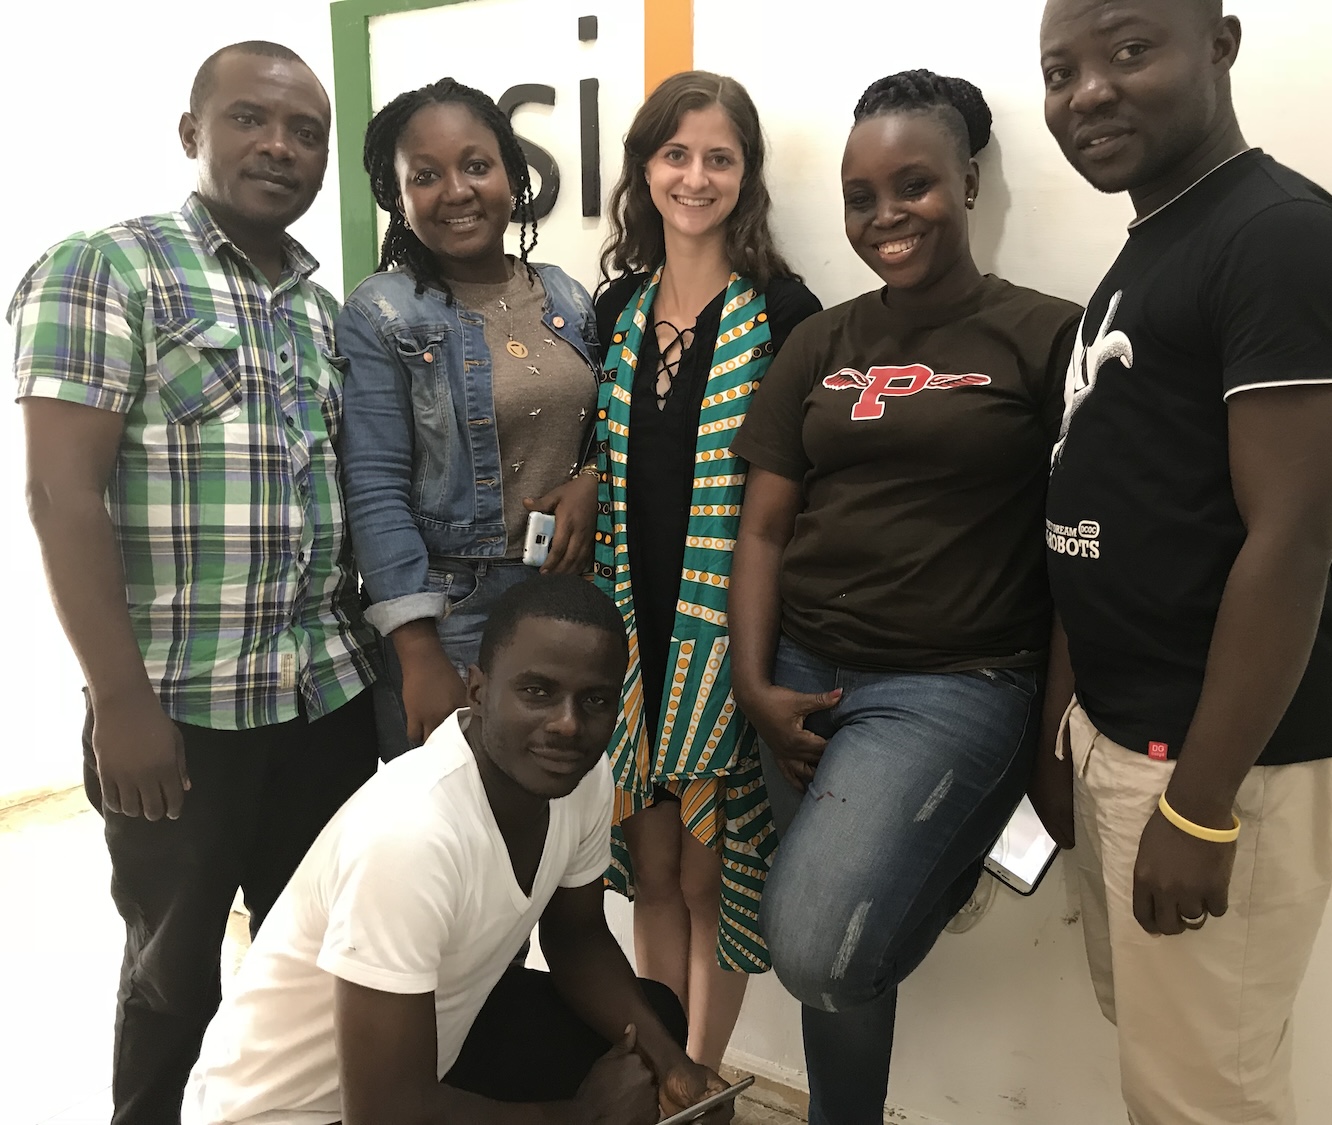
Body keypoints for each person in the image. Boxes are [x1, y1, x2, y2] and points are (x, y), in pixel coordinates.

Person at [7, 42, 378, 1125]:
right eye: (253, 119)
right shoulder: (105, 267)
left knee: (313, 966)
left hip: (323, 701)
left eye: (306, 132)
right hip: (180, 711)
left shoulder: (320, 308)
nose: (281, 146)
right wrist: (121, 704)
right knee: (173, 980)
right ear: (191, 132)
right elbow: (59, 497)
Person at [1032, 2, 1332, 1122]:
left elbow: (1292, 537)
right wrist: (1070, 728)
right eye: (1061, 69)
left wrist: (1203, 805)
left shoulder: (1278, 233)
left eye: (1129, 50)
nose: (1087, 92)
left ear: (1220, 46)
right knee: (1167, 1065)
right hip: (1129, 739)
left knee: (1204, 1100)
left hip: (1221, 761)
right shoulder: (1155, 245)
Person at [727, 70, 1082, 1124]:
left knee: (818, 942)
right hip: (802, 678)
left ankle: (953, 843)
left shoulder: (1048, 337)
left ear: (968, 184)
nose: (885, 216)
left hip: (954, 684)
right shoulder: (819, 345)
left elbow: (1082, 553)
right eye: (860, 195)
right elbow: (764, 526)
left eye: (914, 185)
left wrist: (1055, 736)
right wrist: (752, 681)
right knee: (831, 961)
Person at [185, 575, 734, 1125]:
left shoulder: (581, 779)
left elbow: (577, 935)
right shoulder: (412, 834)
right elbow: (384, 1117)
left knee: (652, 1024)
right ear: (477, 691)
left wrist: (674, 1067)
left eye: (594, 700)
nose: (568, 725)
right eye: (537, 691)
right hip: (286, 1113)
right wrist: (579, 1117)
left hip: (422, 1060)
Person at [592, 69, 821, 1071]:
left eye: (718, 157)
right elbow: (606, 466)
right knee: (648, 872)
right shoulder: (616, 309)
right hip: (627, 632)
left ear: (747, 174)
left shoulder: (783, 308)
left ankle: (704, 1076)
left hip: (725, 636)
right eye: (675, 154)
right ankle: (661, 1071)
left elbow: (801, 492)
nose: (695, 176)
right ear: (646, 169)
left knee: (704, 879)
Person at [337, 77, 603, 756]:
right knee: (451, 828)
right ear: (396, 197)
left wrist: (593, 479)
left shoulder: (566, 293)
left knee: (548, 818)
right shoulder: (384, 313)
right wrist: (418, 649)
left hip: (563, 596)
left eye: (476, 166)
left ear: (513, 177)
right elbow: (374, 489)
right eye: (425, 176)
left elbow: (606, 431)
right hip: (452, 611)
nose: (456, 190)